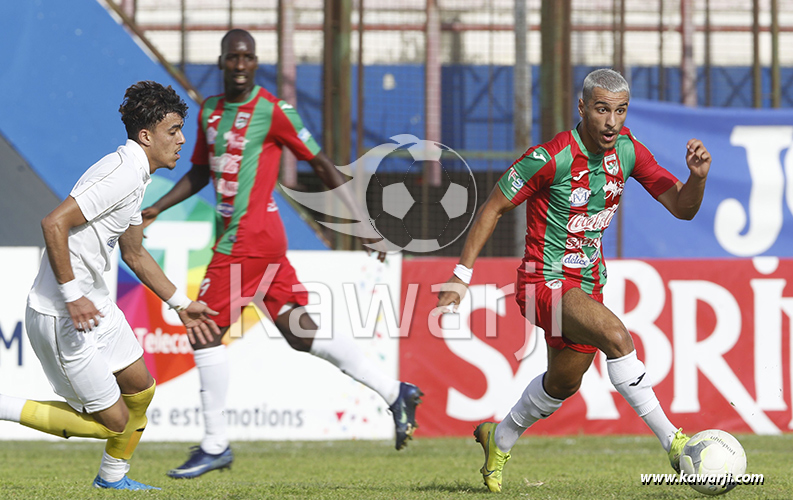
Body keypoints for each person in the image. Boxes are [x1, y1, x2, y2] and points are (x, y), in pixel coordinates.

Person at [141, 29, 423, 479]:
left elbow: (321, 163)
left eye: (247, 57)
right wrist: (156, 206)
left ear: (256, 63)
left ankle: (215, 444)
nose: (239, 64)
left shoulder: (273, 111)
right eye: (232, 57)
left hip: (247, 241)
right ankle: (394, 392)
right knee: (298, 332)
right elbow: (199, 172)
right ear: (221, 61)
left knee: (203, 329)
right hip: (255, 240)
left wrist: (363, 224)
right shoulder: (210, 112)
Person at [436, 68, 711, 493]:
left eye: (620, 111)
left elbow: (682, 208)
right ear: (581, 107)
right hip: (541, 282)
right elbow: (492, 207)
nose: (611, 122)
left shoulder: (629, 151)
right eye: (602, 110)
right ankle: (676, 444)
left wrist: (697, 179)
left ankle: (499, 438)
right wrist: (460, 275)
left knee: (563, 383)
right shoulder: (549, 157)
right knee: (617, 337)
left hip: (587, 284)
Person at [0, 81, 220, 490]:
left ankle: (112, 478)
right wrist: (72, 296)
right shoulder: (121, 173)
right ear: (146, 136)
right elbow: (53, 223)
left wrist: (180, 303)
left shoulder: (137, 175)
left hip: (96, 308)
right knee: (113, 424)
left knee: (141, 390)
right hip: (63, 316)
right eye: (173, 130)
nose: (182, 139)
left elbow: (134, 254)